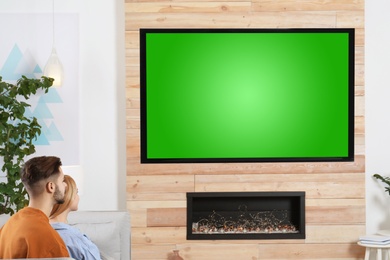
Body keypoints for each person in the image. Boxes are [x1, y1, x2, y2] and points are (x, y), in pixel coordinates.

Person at [0, 156, 70, 258]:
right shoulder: (49, 239)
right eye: (62, 180)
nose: (66, 185)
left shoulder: (8, 226)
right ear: (51, 187)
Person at [50, 174, 102, 260]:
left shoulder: (39, 232)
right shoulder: (75, 239)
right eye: (76, 192)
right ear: (67, 196)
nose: (78, 197)